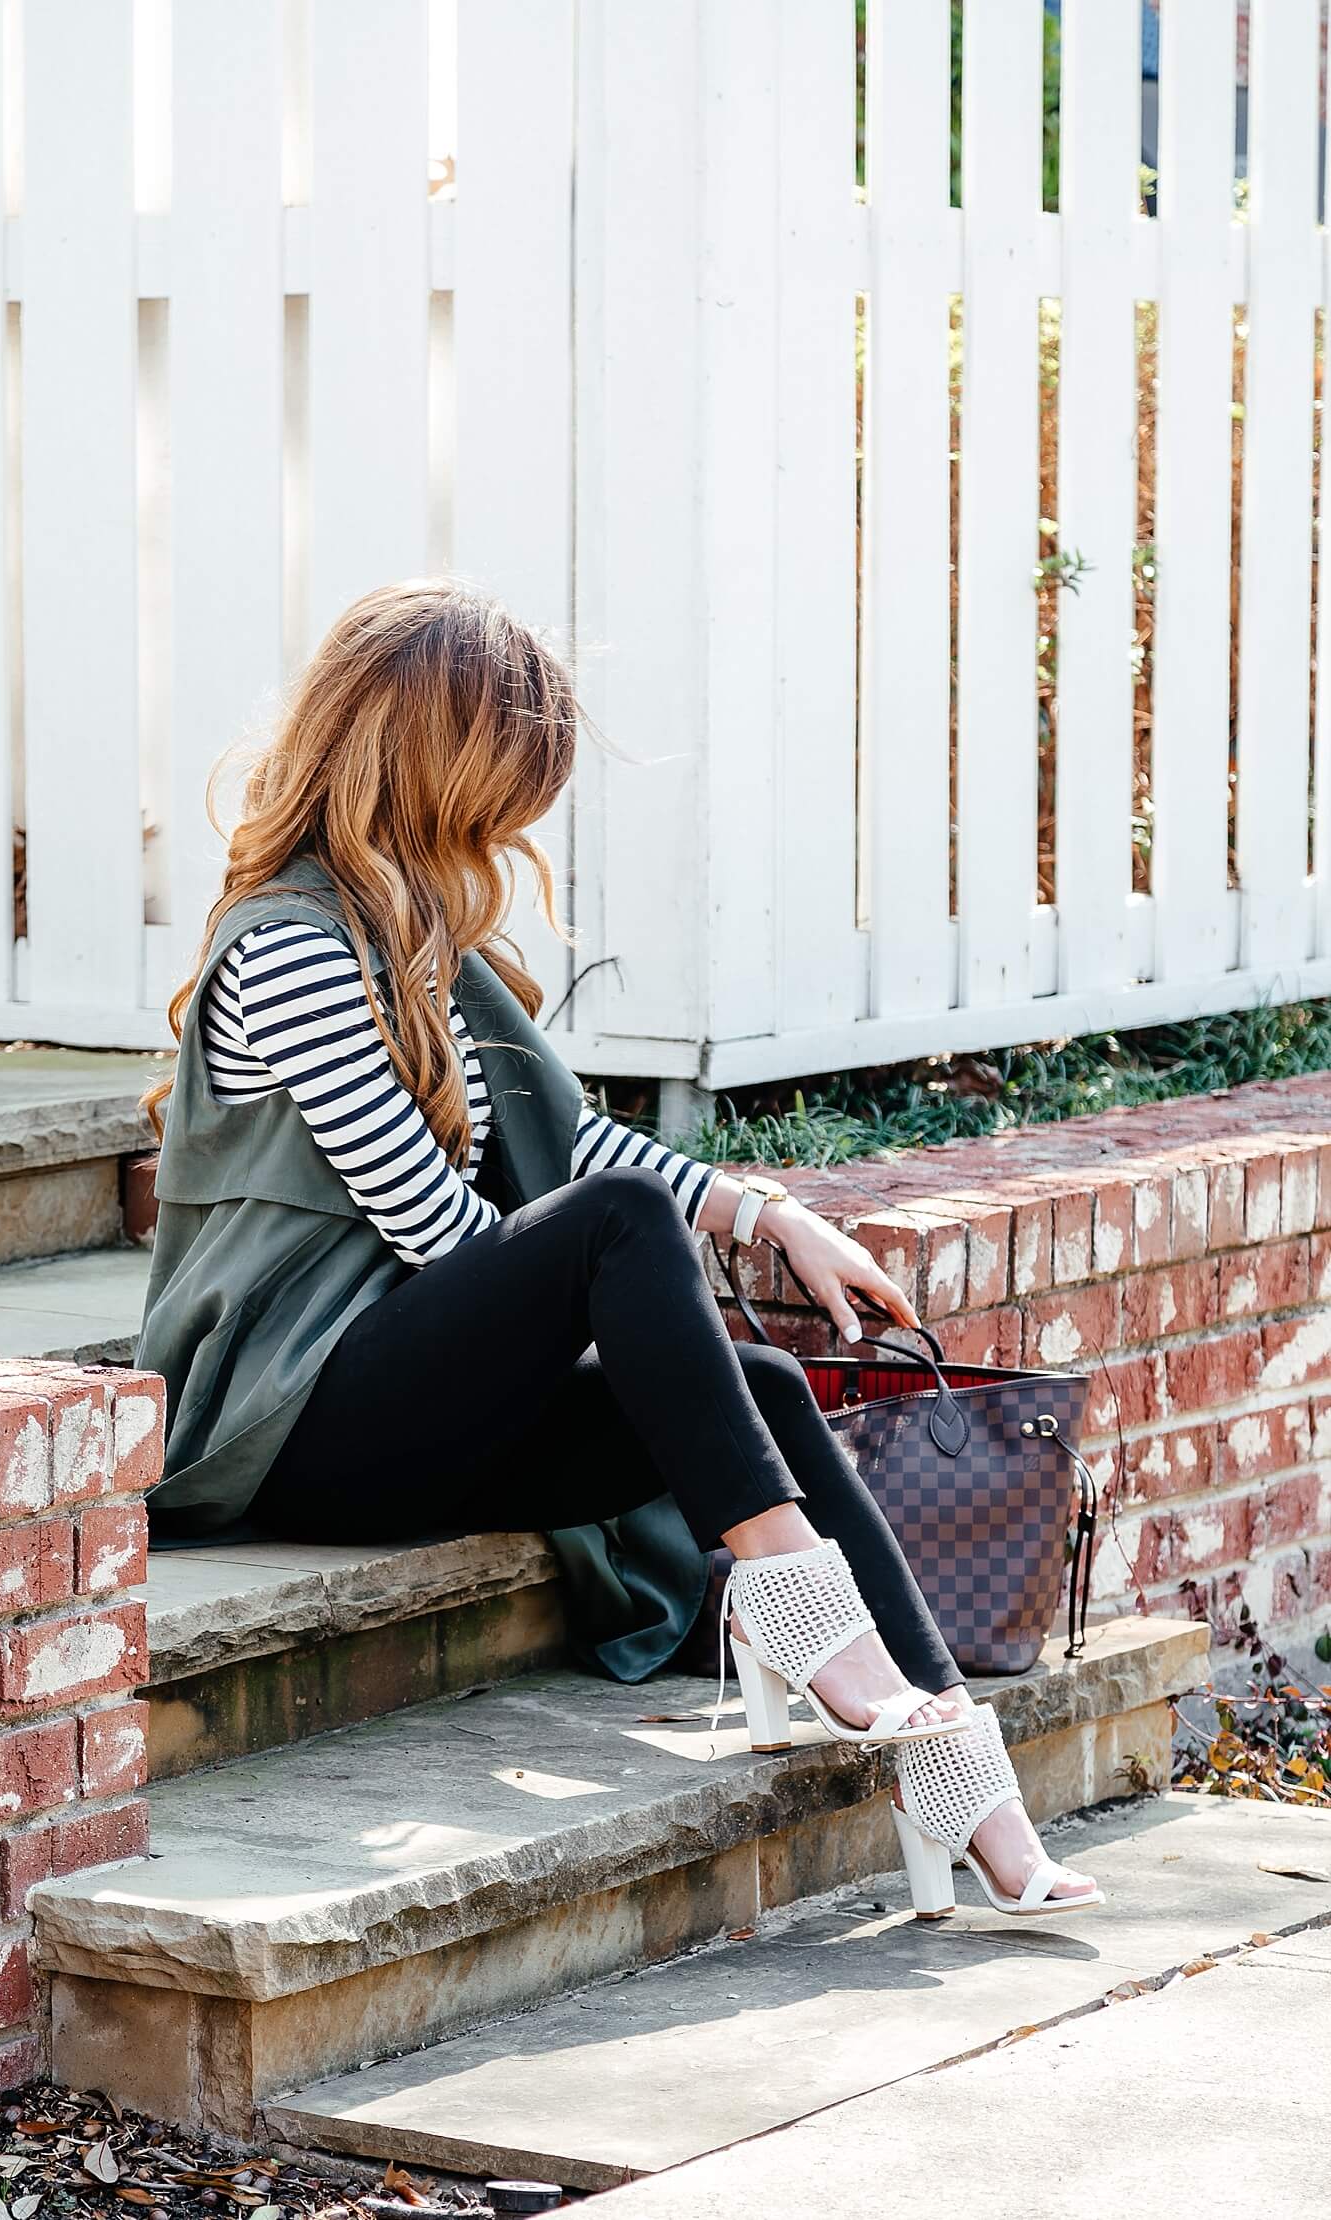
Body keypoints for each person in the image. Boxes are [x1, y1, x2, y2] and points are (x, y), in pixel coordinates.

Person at [136, 578, 1099, 1921]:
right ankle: (802, 1617)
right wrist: (631, 1322)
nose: (514, 821)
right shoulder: (290, 946)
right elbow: (445, 1228)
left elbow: (576, 1149)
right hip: (290, 1421)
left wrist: (767, 1217)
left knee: (762, 1387)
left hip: (411, 1404)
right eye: (500, 784)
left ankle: (961, 1778)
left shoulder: (421, 945)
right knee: (629, 1256)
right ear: (427, 764)